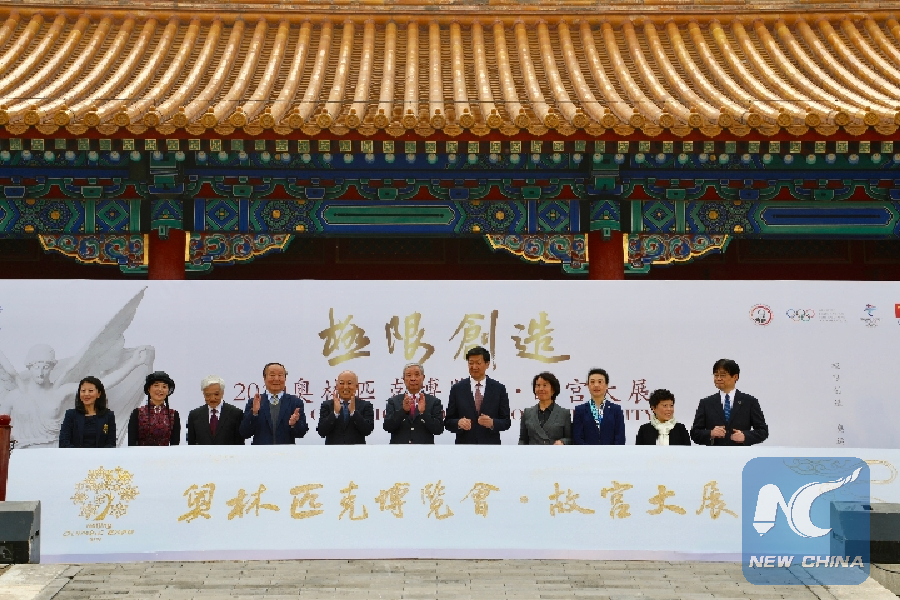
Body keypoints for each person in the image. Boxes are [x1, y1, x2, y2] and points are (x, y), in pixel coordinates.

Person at [690, 359, 768, 446]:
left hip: (741, 453)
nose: (718, 378)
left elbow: (763, 431)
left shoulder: (749, 402)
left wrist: (745, 436)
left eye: (723, 375)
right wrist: (710, 433)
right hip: (714, 453)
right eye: (716, 375)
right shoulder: (706, 403)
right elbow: (694, 433)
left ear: (735, 377)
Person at [444, 346, 511, 444]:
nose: (474, 367)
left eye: (478, 363)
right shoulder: (457, 389)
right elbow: (448, 422)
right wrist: (458, 423)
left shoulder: (499, 389)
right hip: (464, 446)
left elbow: (506, 422)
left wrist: (492, 423)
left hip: (490, 446)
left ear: (487, 364)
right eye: (471, 363)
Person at [239, 362, 308, 444]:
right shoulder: (254, 402)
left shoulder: (295, 402)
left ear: (285, 378)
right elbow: (245, 433)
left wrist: (294, 424)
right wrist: (254, 413)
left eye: (280, 375)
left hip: (286, 451)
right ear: (264, 378)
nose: (276, 379)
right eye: (272, 375)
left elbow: (302, 433)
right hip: (261, 451)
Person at [384, 363, 443, 444]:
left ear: (423, 377)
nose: (413, 379)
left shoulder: (434, 401)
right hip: (399, 449)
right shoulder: (393, 401)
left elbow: (439, 430)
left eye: (417, 375)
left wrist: (423, 413)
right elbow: (387, 427)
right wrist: (403, 411)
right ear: (404, 379)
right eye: (409, 375)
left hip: (424, 450)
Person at [316, 370, 375, 444]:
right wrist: (335, 413)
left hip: (357, 450)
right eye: (341, 383)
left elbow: (367, 431)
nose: (345, 387)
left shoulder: (366, 405)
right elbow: (321, 431)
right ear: (337, 386)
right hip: (333, 450)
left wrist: (354, 412)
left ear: (356, 386)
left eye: (349, 383)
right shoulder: (327, 405)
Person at [186, 375, 246, 445]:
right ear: (203, 394)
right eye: (208, 395)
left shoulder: (236, 414)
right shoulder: (194, 415)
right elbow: (191, 445)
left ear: (222, 393)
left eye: (216, 394)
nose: (212, 398)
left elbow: (239, 444)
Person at [59, 376, 116, 448]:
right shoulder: (70, 415)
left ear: (99, 394)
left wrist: (98, 454)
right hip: (75, 455)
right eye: (83, 391)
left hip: (100, 455)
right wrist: (80, 454)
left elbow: (111, 443)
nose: (86, 394)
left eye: (90, 391)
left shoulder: (108, 415)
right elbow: (63, 442)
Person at [572, 368, 625, 445]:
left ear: (606, 385)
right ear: (588, 385)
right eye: (592, 382)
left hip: (611, 452)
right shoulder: (580, 410)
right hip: (586, 452)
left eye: (600, 382)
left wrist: (611, 451)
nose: (596, 385)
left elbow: (620, 437)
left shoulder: (616, 410)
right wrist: (590, 451)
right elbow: (577, 438)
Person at [128, 371, 181, 446]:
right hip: (141, 453)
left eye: (164, 387)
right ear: (149, 389)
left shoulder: (173, 415)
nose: (160, 390)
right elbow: (131, 443)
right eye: (156, 386)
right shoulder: (138, 413)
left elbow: (175, 445)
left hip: (166, 453)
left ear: (168, 391)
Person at [519, 372, 571, 445]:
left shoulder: (564, 413)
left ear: (553, 389)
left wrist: (563, 442)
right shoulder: (527, 413)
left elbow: (570, 439)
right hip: (533, 452)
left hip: (555, 452)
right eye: (538, 385)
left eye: (545, 385)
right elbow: (522, 440)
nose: (541, 389)